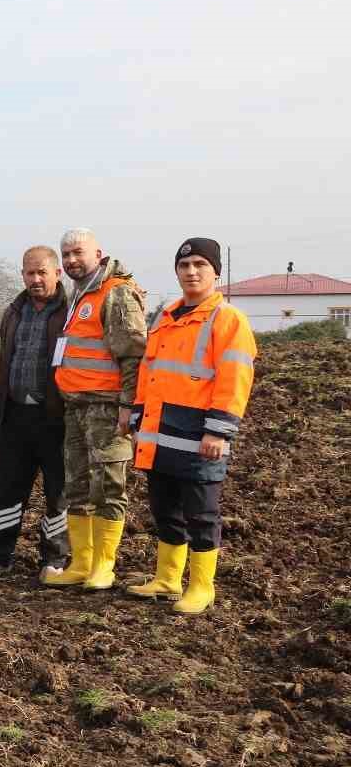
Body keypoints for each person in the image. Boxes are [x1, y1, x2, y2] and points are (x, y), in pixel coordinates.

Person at [126, 238, 256, 615]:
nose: (192, 271)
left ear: (216, 271)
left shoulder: (228, 319)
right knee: (165, 510)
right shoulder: (166, 315)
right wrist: (137, 417)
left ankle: (201, 586)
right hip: (159, 432)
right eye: (184, 265)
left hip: (201, 436)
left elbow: (235, 379)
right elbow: (148, 371)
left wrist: (218, 430)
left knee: (202, 514)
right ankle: (167, 579)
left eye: (200, 264)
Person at [42, 228, 147, 589]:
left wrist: (127, 407)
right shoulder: (79, 293)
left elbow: (133, 354)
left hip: (107, 408)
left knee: (108, 486)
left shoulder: (115, 293)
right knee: (78, 488)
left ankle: (104, 565)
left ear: (98, 253)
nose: (71, 260)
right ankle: (81, 563)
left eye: (78, 253)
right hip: (76, 407)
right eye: (66, 254)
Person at [0, 247, 71, 580]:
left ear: (57, 273)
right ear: (22, 275)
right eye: (29, 273)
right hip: (16, 415)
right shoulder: (13, 312)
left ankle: (55, 559)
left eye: (42, 272)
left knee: (57, 491)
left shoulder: (70, 311)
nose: (35, 279)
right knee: (8, 488)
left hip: (55, 417)